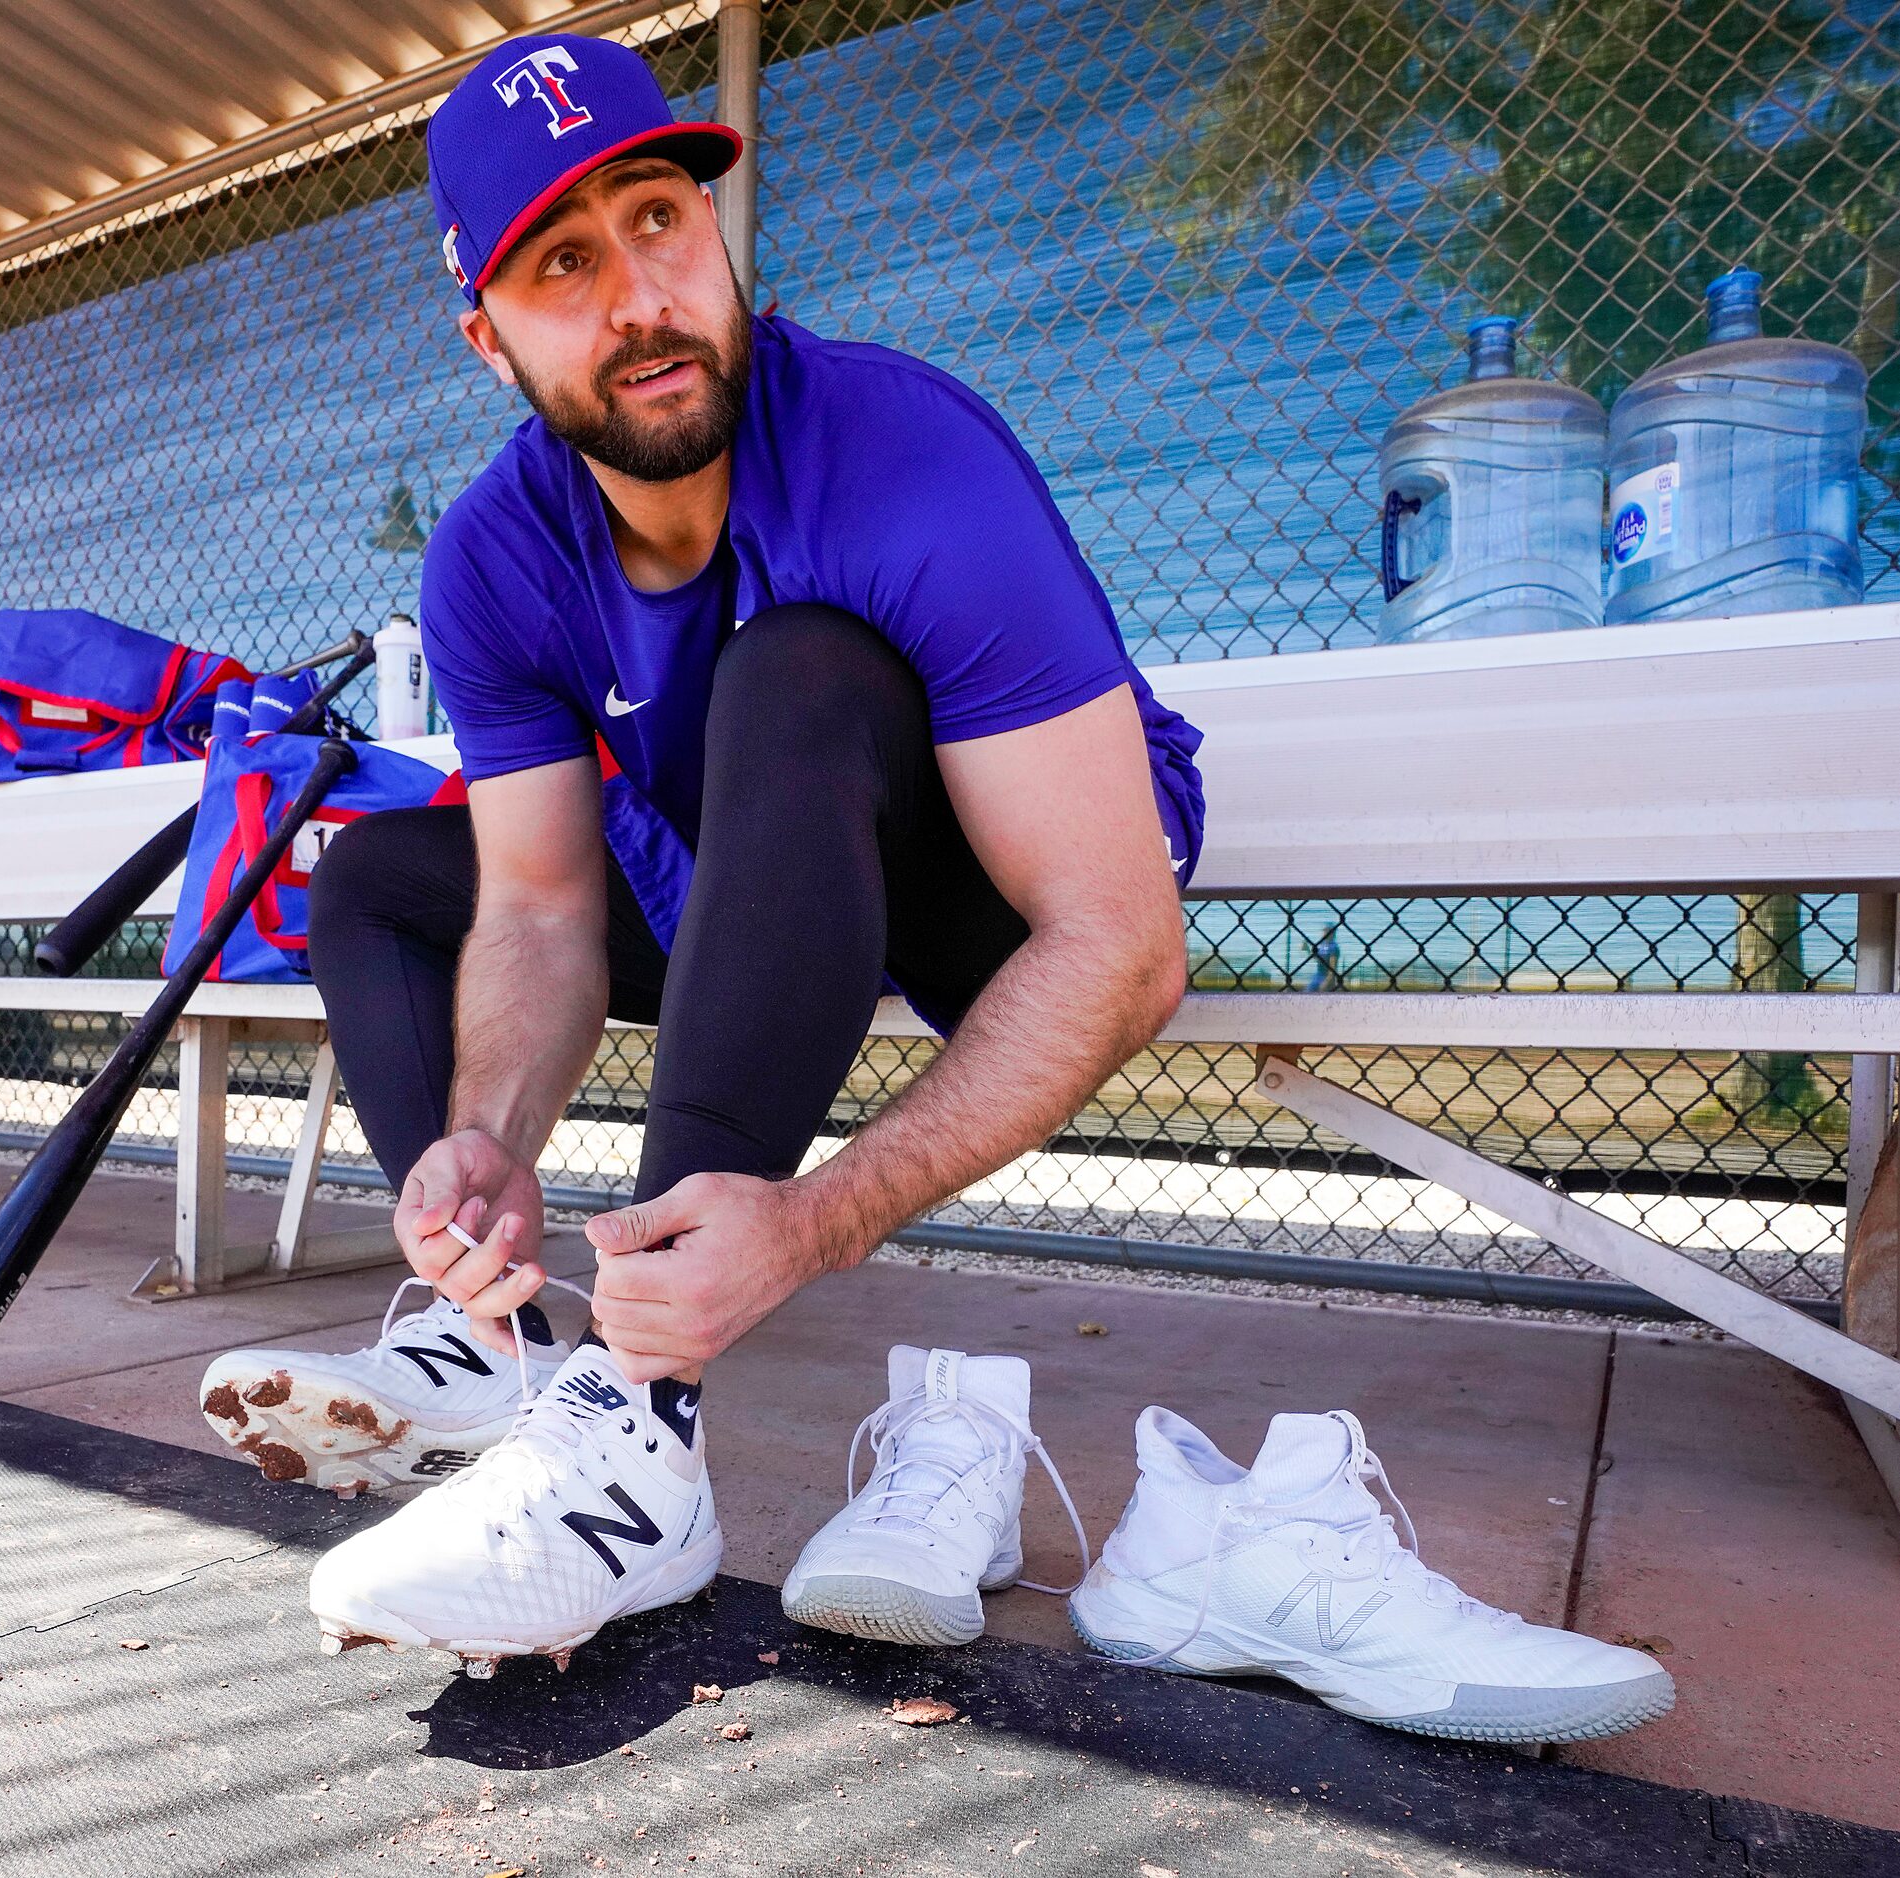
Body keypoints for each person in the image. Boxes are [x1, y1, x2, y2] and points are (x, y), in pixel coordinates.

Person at [197, 32, 1672, 1743]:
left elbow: (1116, 943)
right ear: (491, 334)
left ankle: (632, 1432)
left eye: (662, 218)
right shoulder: (492, 553)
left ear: (717, 226)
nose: (641, 296)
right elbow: (538, 909)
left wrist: (806, 1222)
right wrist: (487, 1137)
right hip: (755, 858)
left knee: (795, 666)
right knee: (382, 864)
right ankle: (486, 1324)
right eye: (564, 263)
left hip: (1009, 872)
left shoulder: (898, 453)